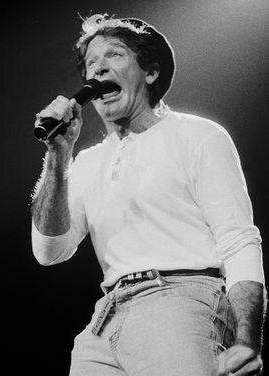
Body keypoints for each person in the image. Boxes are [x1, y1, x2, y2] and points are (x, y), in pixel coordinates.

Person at [31, 14, 265, 376]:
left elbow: (238, 239)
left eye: (114, 55)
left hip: (180, 301)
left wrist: (246, 341)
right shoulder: (85, 162)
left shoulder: (198, 135)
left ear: (150, 72)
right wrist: (58, 156)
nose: (99, 68)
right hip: (103, 322)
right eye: (91, 63)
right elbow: (49, 252)